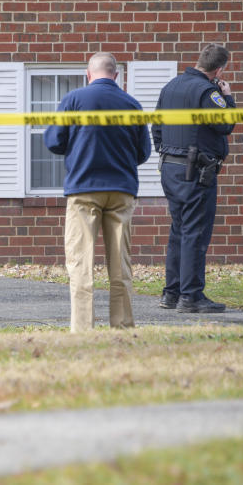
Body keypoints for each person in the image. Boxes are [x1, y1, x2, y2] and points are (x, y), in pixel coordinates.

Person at [44, 53, 152, 333]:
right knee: (120, 265)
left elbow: (54, 142)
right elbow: (143, 153)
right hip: (121, 190)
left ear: (87, 74)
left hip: (84, 189)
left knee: (81, 262)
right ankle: (123, 326)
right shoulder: (132, 104)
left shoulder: (74, 100)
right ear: (116, 75)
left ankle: (82, 330)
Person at [152, 43, 236, 314]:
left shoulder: (171, 86)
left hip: (170, 169)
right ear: (219, 69)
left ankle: (171, 293)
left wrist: (166, 155)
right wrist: (228, 97)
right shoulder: (207, 91)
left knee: (179, 231)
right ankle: (191, 297)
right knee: (195, 234)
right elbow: (224, 124)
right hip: (196, 172)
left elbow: (157, 127)